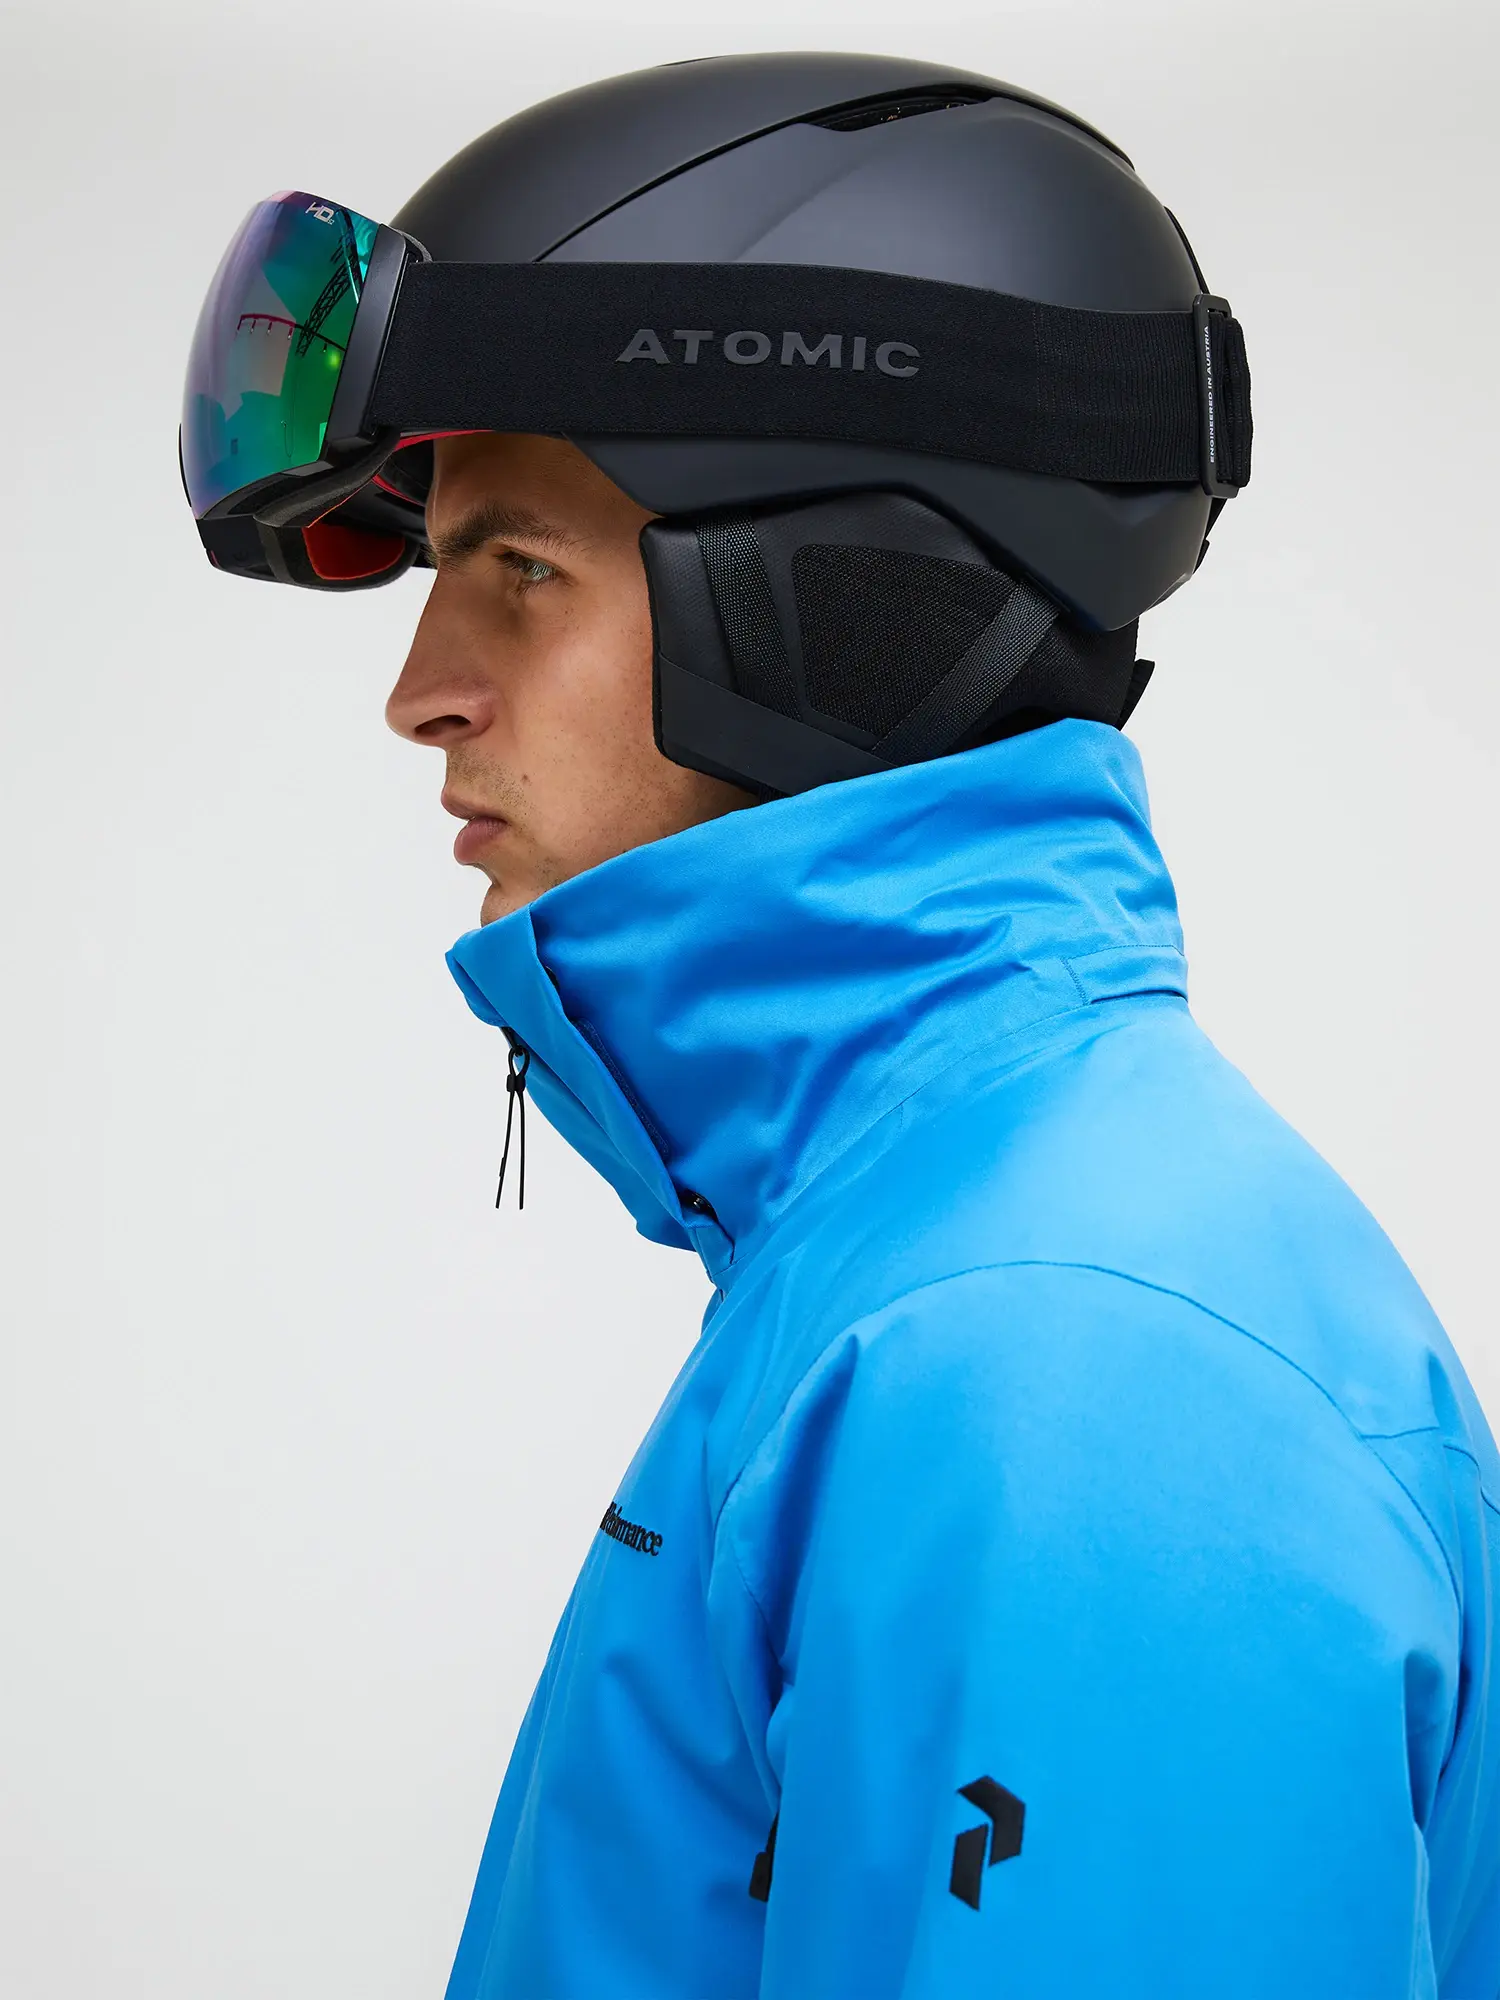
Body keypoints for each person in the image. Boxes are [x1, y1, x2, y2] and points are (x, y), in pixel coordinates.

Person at [179, 52, 1499, 1999]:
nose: (423, 692)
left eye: (518, 568)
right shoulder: (923, 1260)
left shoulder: (1063, 1358)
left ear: (826, 599)